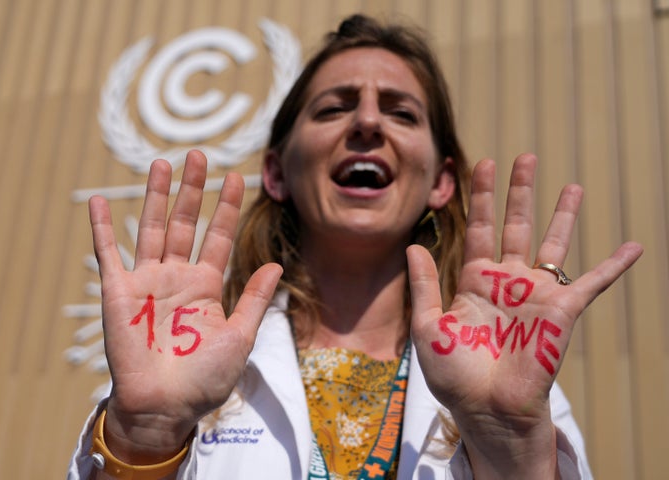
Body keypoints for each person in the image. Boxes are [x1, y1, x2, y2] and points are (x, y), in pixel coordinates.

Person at [68, 14, 642, 479]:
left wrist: (510, 447)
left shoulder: (508, 378)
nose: (367, 121)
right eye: (334, 107)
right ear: (276, 173)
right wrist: (145, 437)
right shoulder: (175, 361)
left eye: (400, 112)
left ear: (441, 182)